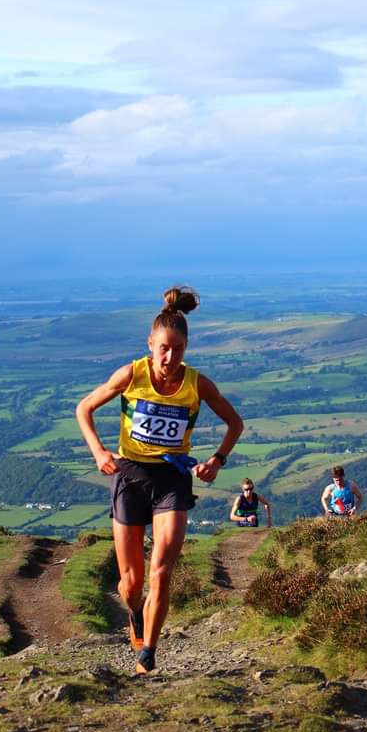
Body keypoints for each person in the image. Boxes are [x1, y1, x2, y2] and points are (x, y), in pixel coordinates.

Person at [75, 286, 244, 674]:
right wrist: (100, 453)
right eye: (164, 348)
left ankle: (148, 651)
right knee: (131, 584)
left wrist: (217, 460)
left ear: (187, 348)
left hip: (172, 479)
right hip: (130, 477)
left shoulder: (197, 384)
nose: (170, 357)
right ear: (151, 343)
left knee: (162, 571)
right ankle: (135, 615)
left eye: (179, 349)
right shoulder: (131, 374)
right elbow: (84, 408)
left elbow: (235, 423)